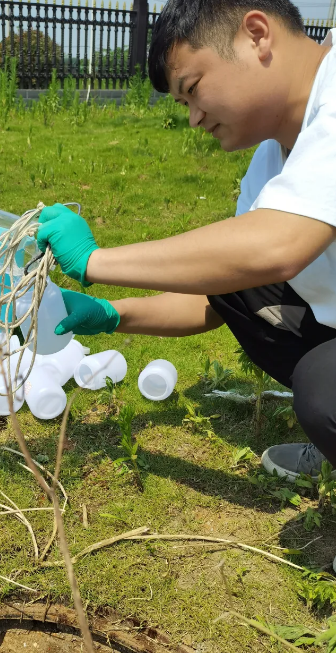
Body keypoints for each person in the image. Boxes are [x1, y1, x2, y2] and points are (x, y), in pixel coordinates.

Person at [36, 0, 336, 480]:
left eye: (193, 89)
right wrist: (114, 314)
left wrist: (94, 261)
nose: (194, 118)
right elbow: (220, 294)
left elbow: (279, 246)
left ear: (257, 35)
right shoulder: (271, 161)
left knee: (324, 389)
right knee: (234, 273)